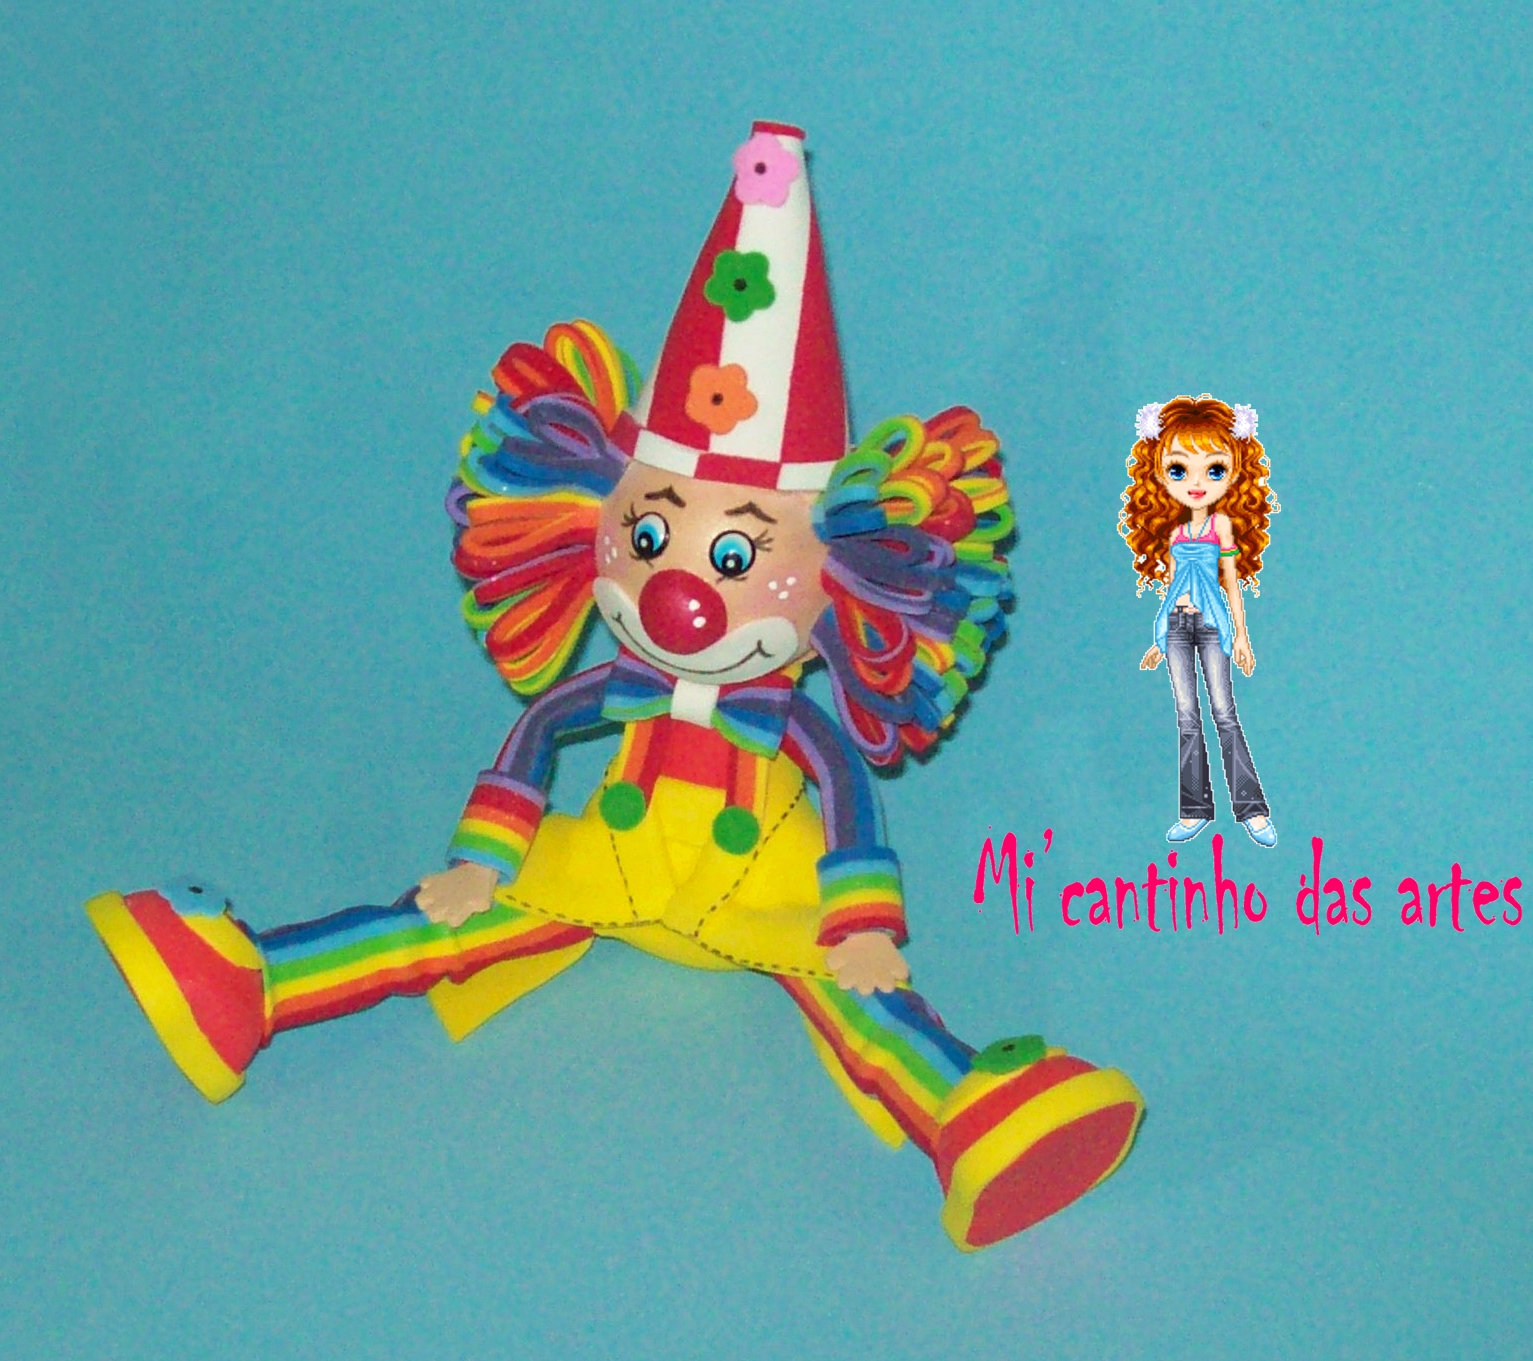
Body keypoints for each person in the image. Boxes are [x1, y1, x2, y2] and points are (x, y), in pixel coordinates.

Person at [87, 121, 1143, 1251]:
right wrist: (482, 856)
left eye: (733, 556)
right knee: (438, 920)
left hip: (763, 891)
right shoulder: (622, 677)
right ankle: (252, 986)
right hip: (612, 861)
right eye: (647, 537)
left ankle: (964, 1111)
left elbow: (845, 795)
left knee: (863, 1000)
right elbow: (542, 730)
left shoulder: (788, 715)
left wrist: (861, 921)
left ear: (847, 572)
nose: (680, 591)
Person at [1120, 395, 1279, 846]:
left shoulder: (1220, 526)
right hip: (1175, 626)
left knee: (1224, 713)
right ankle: (1194, 810)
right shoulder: (1174, 533)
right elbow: (1172, 587)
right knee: (1186, 717)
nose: (1195, 482)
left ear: (1234, 473)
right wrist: (1157, 640)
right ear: (1158, 473)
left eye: (1213, 470)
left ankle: (1251, 810)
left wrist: (1242, 635)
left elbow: (1231, 583)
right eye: (1178, 469)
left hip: (1211, 625)